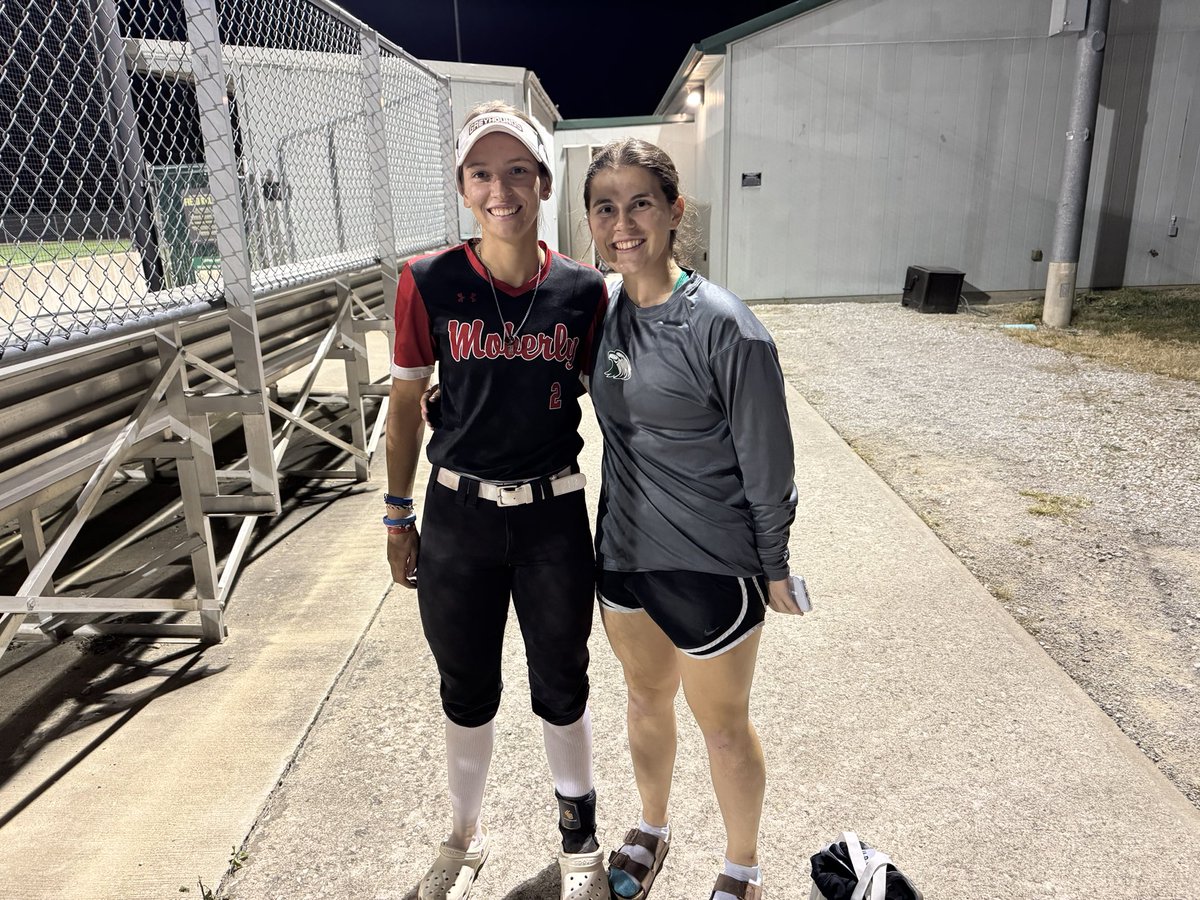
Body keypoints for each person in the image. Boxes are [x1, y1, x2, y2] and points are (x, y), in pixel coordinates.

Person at [385, 101, 610, 900]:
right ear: (463, 185)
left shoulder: (584, 292)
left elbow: (615, 405)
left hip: (552, 516)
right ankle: (465, 834)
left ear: (545, 181)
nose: (500, 188)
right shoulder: (428, 280)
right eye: (482, 172)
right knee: (466, 684)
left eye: (518, 170)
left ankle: (579, 837)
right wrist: (395, 513)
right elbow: (406, 404)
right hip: (460, 519)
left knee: (563, 679)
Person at [583, 138, 805, 900]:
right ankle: (651, 827)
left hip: (710, 564)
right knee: (644, 699)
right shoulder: (601, 315)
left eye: (640, 202)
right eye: (605, 207)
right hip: (622, 556)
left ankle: (742, 866)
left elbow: (768, 462)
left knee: (723, 727)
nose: (623, 223)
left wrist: (773, 564)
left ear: (675, 211)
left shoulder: (724, 326)